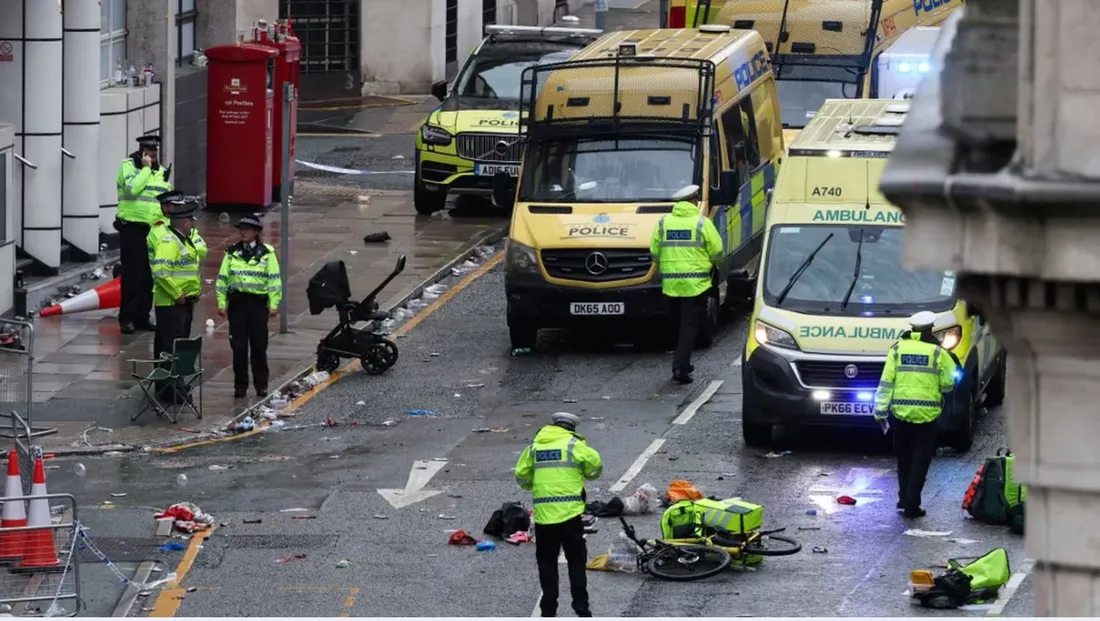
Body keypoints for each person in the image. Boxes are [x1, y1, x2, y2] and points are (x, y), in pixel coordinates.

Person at [514, 412, 602, 618]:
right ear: (571, 428)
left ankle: (548, 610)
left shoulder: (535, 447)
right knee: (576, 562)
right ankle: (581, 607)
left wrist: (533, 486)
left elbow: (521, 475)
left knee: (547, 563)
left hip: (544, 517)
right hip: (571, 516)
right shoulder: (574, 445)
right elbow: (595, 466)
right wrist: (584, 474)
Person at [873, 311, 958, 518]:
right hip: (927, 416)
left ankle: (903, 498)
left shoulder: (897, 349)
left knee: (904, 459)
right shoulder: (938, 353)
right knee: (921, 460)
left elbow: (886, 383)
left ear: (912, 329)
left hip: (900, 415)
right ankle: (912, 504)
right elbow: (948, 383)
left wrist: (880, 411)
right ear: (930, 329)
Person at [649, 184, 723, 384]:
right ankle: (680, 368)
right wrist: (712, 264)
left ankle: (681, 362)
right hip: (695, 284)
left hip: (671, 285)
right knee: (690, 327)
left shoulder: (663, 223)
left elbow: (654, 252)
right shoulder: (702, 223)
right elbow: (717, 251)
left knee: (678, 324)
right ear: (693, 201)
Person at [216, 214, 283, 399]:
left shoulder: (267, 253)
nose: (243, 232)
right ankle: (240, 386)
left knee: (259, 346)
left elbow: (274, 280)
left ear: (256, 232)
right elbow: (222, 279)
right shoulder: (231, 253)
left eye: (246, 229)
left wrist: (274, 304)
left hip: (258, 305)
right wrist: (221, 303)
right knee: (238, 348)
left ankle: (261, 385)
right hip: (238, 304)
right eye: (241, 229)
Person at [150, 192, 207, 401]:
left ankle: (175, 387)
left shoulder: (184, 240)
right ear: (184, 222)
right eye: (191, 220)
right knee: (171, 348)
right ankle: (170, 390)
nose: (193, 223)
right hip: (172, 303)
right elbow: (160, 271)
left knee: (178, 346)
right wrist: (178, 293)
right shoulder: (168, 242)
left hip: (184, 303)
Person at [116, 134, 172, 334]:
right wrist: (146, 169)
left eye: (155, 152)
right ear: (142, 152)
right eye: (149, 152)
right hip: (132, 227)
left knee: (149, 276)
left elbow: (163, 204)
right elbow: (132, 189)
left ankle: (142, 316)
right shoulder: (128, 167)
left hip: (153, 230)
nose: (153, 155)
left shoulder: (163, 172)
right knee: (132, 275)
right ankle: (127, 317)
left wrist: (164, 227)